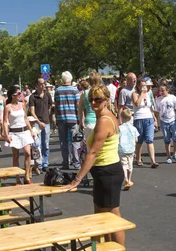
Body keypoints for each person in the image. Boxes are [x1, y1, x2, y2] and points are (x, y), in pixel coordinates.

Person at [62, 85, 125, 247]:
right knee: (100, 215)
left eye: (98, 99)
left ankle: (119, 249)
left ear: (106, 100)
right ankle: (104, 248)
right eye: (91, 99)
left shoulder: (104, 120)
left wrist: (77, 179)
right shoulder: (104, 116)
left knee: (113, 216)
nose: (93, 102)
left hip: (108, 171)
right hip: (103, 171)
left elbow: (93, 153)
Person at [4, 85, 36, 184]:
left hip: (24, 131)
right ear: (13, 95)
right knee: (15, 155)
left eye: (20, 93)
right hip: (14, 132)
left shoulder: (22, 105)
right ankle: (17, 178)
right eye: (18, 93)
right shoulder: (8, 107)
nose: (20, 95)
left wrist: (31, 130)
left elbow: (26, 118)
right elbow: (5, 122)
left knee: (28, 153)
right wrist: (6, 135)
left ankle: (27, 176)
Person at [54, 71, 81, 169]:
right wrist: (80, 118)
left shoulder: (57, 91)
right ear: (71, 79)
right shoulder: (75, 90)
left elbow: (56, 106)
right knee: (75, 141)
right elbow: (78, 105)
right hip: (73, 118)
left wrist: (57, 118)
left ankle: (65, 162)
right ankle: (76, 162)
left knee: (63, 141)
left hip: (61, 118)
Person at [28, 77, 54, 172]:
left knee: (46, 144)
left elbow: (49, 106)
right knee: (37, 145)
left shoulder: (47, 94)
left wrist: (48, 117)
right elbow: (32, 111)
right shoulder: (33, 96)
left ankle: (45, 163)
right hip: (37, 123)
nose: (43, 85)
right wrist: (39, 122)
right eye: (41, 83)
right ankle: (38, 164)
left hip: (46, 122)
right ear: (36, 85)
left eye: (44, 83)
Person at [132, 77, 159, 167]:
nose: (144, 87)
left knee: (150, 140)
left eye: (145, 86)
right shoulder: (134, 94)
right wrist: (142, 94)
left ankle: (153, 161)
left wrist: (154, 117)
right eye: (142, 86)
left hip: (148, 118)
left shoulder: (149, 93)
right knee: (139, 141)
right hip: (139, 118)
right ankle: (138, 158)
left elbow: (150, 106)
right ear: (138, 86)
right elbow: (137, 104)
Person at [155, 83, 176, 164]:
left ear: (167, 90)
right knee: (167, 139)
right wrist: (156, 121)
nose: (161, 92)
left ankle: (175, 153)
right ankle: (168, 156)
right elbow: (157, 111)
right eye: (160, 91)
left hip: (173, 120)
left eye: (163, 90)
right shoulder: (158, 99)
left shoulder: (172, 97)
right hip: (164, 121)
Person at [118, 108, 139, 190]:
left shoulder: (119, 128)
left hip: (122, 149)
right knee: (130, 164)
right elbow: (136, 139)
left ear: (122, 118)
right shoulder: (133, 128)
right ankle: (129, 179)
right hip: (131, 149)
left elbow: (117, 137)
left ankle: (125, 179)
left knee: (124, 164)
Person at [79, 72, 101, 138]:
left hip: (89, 122)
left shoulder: (85, 93)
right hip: (101, 120)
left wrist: (81, 122)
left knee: (89, 146)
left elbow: (80, 109)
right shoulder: (102, 91)